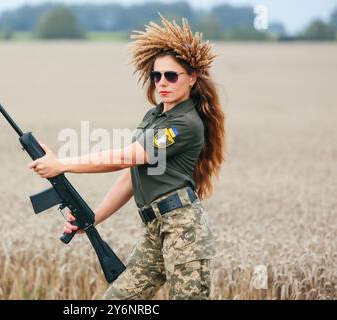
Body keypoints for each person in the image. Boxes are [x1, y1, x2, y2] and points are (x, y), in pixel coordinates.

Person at [28, 14, 225, 300]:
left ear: (192, 78)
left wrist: (62, 165)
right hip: (155, 230)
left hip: (184, 231)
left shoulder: (185, 123)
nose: (162, 83)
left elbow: (125, 157)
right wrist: (92, 218)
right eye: (156, 76)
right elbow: (129, 176)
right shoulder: (156, 117)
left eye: (171, 75)